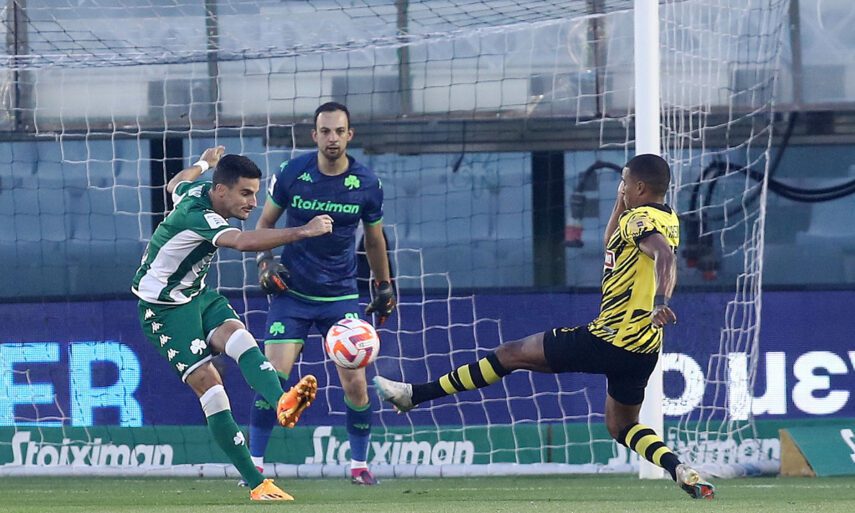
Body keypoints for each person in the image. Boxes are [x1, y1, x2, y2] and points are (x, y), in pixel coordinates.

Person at [374, 154, 716, 500]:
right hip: (642, 350)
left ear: (639, 187)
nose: (622, 187)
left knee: (510, 354)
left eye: (625, 182)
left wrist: (660, 302)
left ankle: (414, 395)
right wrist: (619, 200)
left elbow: (664, 256)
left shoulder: (637, 219)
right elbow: (612, 244)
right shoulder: (667, 218)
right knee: (622, 425)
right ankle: (678, 468)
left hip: (607, 338)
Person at [132, 146, 333, 501]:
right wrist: (304, 230)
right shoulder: (199, 215)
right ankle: (257, 484)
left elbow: (175, 183)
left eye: (255, 193)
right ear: (221, 191)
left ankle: (283, 402)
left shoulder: (196, 190)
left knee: (240, 339)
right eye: (246, 193)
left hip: (196, 294)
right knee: (212, 387)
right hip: (163, 308)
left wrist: (202, 163)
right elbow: (241, 242)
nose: (253, 202)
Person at [249, 102, 396, 486]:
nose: (333, 138)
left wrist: (383, 285)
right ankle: (254, 466)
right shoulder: (292, 173)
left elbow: (374, 240)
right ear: (315, 135)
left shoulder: (367, 183)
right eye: (326, 131)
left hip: (340, 297)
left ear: (350, 135)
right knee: (272, 379)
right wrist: (265, 262)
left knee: (356, 383)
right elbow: (264, 224)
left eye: (339, 131)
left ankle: (359, 466)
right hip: (292, 293)